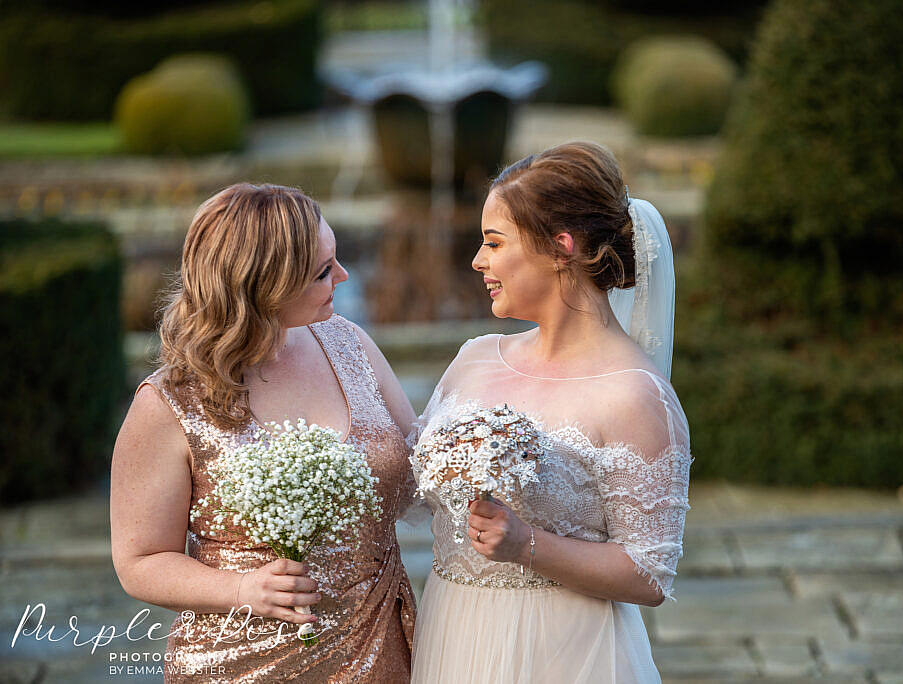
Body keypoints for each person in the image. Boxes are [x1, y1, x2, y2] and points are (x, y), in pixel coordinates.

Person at [409, 142, 692, 683]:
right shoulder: (474, 359)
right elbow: (413, 483)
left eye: (494, 242)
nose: (478, 261)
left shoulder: (635, 395)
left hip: (563, 653)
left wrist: (527, 545)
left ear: (561, 246)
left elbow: (649, 573)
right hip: (454, 636)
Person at [110, 183, 417, 682]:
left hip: (378, 641)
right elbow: (140, 560)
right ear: (264, 285)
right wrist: (242, 590)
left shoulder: (349, 344)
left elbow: (418, 456)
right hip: (246, 659)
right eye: (322, 272)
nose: (343, 276)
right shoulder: (170, 403)